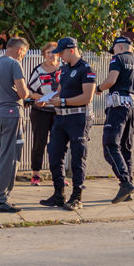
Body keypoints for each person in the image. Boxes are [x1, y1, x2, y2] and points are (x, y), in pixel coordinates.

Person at [42, 37, 97, 211]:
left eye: (62, 53)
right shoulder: (64, 70)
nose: (60, 56)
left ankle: (77, 197)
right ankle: (59, 193)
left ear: (71, 50)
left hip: (78, 118)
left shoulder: (86, 69)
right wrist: (47, 99)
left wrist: (63, 102)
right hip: (61, 117)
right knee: (54, 153)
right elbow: (59, 91)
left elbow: (87, 97)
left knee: (78, 157)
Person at [97, 36, 134, 203]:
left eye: (113, 49)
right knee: (125, 148)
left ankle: (125, 183)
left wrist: (97, 88)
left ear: (119, 47)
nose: (112, 52)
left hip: (118, 107)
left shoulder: (117, 59)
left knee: (110, 145)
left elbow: (111, 80)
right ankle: (129, 189)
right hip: (133, 109)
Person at [0, 38, 31, 212]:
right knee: (10, 158)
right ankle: (1, 199)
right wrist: (23, 94)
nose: (23, 56)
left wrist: (1, 98)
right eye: (24, 53)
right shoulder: (15, 65)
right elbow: (23, 93)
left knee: (0, 156)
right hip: (12, 115)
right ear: (19, 50)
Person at [25, 41, 61, 186]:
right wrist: (39, 98)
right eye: (48, 53)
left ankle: (58, 175)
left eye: (54, 52)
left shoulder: (64, 70)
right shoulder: (38, 71)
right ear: (44, 55)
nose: (51, 55)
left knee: (58, 144)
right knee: (39, 142)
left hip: (59, 112)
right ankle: (35, 174)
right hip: (40, 111)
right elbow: (29, 92)